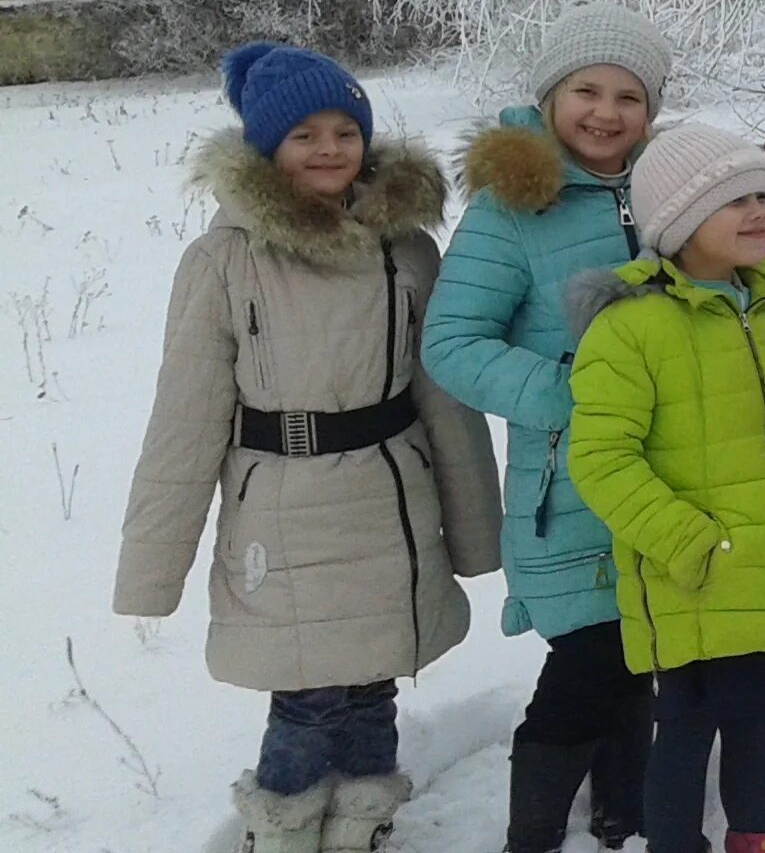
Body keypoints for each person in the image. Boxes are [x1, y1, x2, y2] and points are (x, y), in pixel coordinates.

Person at [114, 43, 500, 853]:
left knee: (374, 684)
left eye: (343, 130)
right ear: (265, 149)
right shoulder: (226, 260)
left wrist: (474, 530)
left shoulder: (407, 250)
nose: (329, 149)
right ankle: (284, 830)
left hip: (392, 502)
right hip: (284, 512)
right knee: (306, 696)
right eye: (303, 136)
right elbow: (184, 418)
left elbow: (445, 399)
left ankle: (363, 822)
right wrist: (152, 568)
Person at [565, 123, 765, 853]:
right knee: (688, 728)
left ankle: (760, 839)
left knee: (756, 718)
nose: (760, 211)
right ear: (678, 221)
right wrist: (690, 544)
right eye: (736, 200)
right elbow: (602, 459)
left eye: (763, 194)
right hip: (692, 579)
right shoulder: (631, 327)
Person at [423, 2, 675, 853]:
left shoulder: (671, 185)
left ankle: (623, 813)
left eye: (629, 97)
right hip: (568, 478)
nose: (606, 113)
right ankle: (530, 834)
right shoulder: (512, 209)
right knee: (588, 656)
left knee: (647, 640)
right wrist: (579, 392)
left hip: (672, 466)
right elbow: (454, 342)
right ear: (551, 95)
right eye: (587, 91)